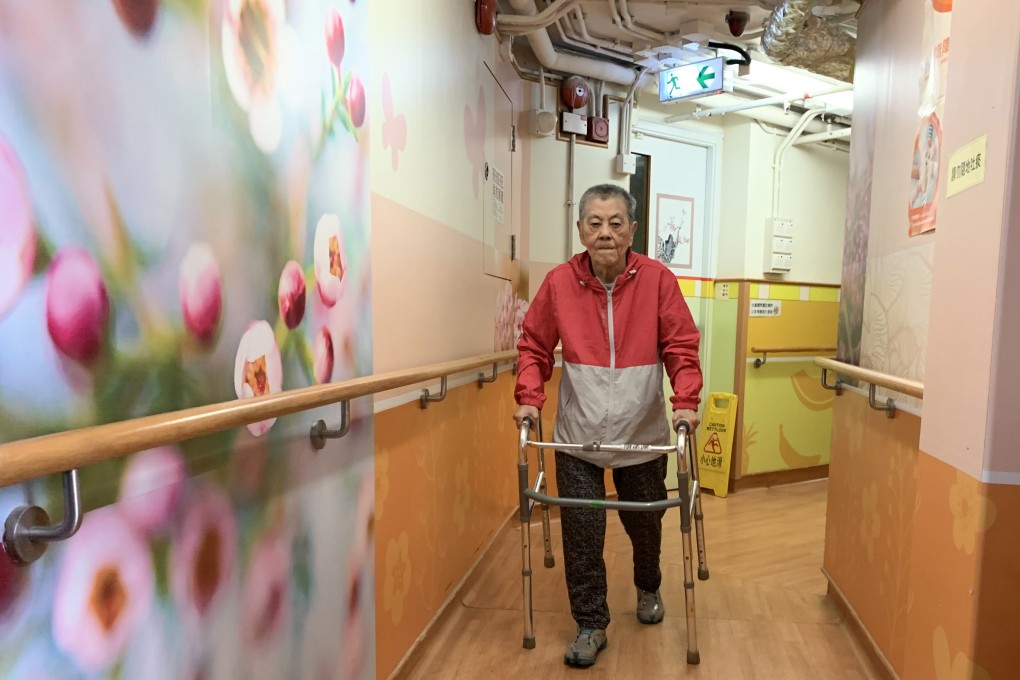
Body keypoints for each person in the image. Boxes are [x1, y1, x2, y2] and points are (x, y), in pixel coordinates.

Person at [513, 183, 703, 667]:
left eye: (616, 223)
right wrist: (529, 399)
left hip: (642, 436)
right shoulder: (559, 283)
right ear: (579, 230)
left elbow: (681, 347)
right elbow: (533, 347)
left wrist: (686, 400)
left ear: (632, 230)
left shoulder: (658, 280)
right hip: (579, 437)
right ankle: (591, 623)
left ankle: (648, 585)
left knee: (644, 523)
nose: (605, 233)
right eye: (594, 223)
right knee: (583, 528)